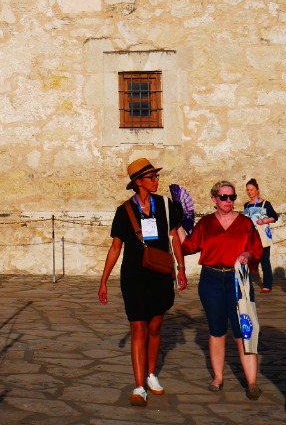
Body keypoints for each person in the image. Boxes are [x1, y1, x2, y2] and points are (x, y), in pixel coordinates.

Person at [98, 158, 186, 407]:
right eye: (152, 177)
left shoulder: (166, 205)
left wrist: (181, 268)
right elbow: (115, 247)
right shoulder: (124, 210)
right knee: (138, 328)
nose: (157, 181)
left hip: (160, 274)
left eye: (156, 177)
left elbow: (175, 238)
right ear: (139, 182)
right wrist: (103, 281)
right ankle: (139, 386)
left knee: (156, 326)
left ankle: (151, 374)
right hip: (134, 276)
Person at [179, 180, 263, 398]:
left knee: (243, 329)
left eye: (232, 197)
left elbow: (256, 249)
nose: (228, 201)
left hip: (238, 281)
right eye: (224, 197)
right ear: (214, 199)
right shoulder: (205, 224)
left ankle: (252, 382)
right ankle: (218, 377)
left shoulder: (245, 223)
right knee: (217, 330)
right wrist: (176, 226)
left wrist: (248, 255)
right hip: (212, 280)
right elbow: (188, 246)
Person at [243, 178, 277, 293]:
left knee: (264, 260)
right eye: (248, 190)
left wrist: (264, 221)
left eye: (252, 189)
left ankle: (267, 284)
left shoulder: (265, 204)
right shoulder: (246, 205)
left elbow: (274, 217)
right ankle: (247, 282)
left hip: (262, 236)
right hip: (250, 236)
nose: (250, 192)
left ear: (257, 190)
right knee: (249, 259)